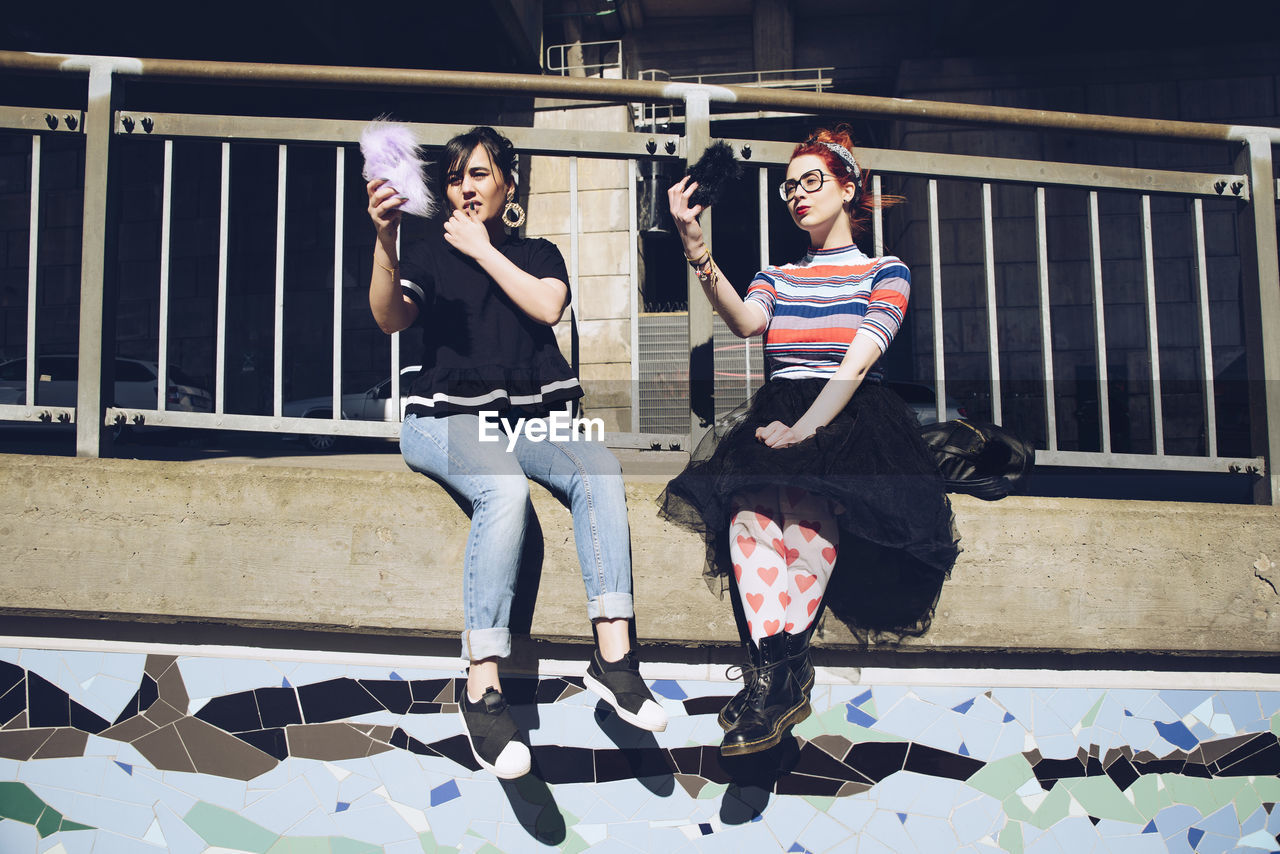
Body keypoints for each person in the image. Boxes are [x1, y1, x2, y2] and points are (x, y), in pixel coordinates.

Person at [366, 126, 667, 780]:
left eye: (477, 174)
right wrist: (386, 241)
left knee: (602, 469)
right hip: (444, 416)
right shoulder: (428, 252)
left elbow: (546, 305)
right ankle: (481, 686)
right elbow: (390, 316)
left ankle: (614, 660)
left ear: (508, 183)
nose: (465, 188)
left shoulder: (536, 252)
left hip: (528, 416)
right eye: (454, 178)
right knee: (502, 491)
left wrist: (485, 250)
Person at [661, 126, 959, 756]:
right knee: (747, 515)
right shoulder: (779, 274)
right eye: (788, 186)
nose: (796, 194)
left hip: (850, 413)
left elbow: (859, 357)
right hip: (783, 403)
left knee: (806, 509)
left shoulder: (888, 270)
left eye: (812, 181)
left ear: (849, 187)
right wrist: (694, 243)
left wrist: (806, 428)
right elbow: (745, 320)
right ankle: (783, 672)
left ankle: (772, 679)